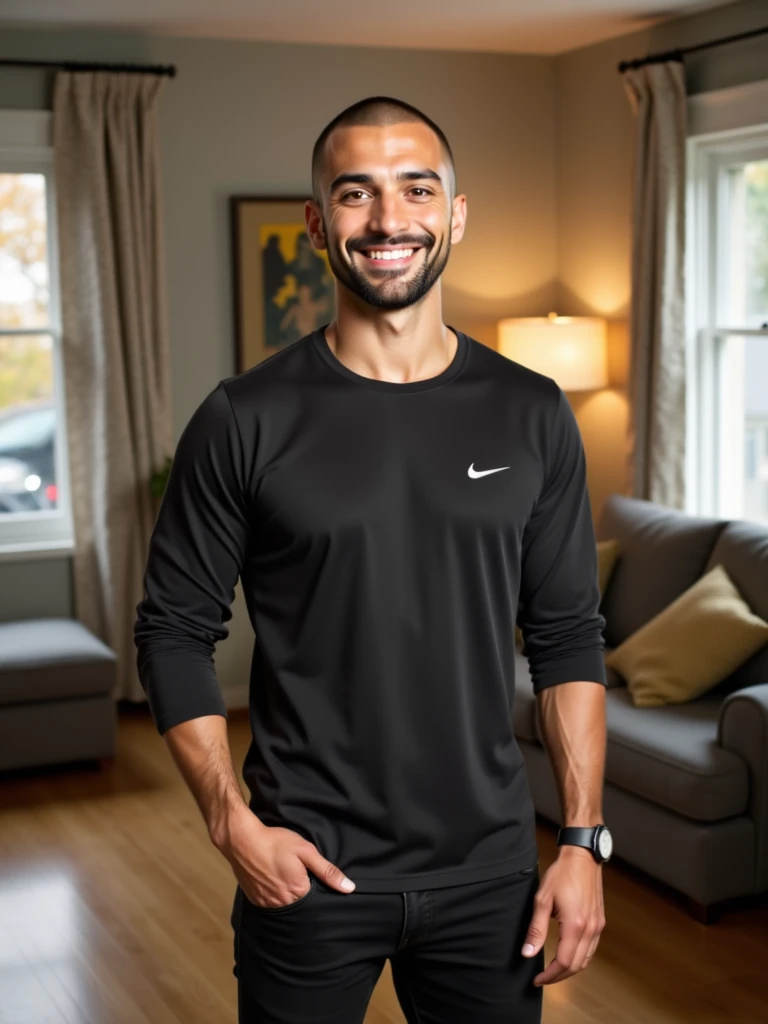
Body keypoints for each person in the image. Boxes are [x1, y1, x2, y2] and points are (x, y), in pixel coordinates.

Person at [134, 94, 610, 1024]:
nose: (389, 221)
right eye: (356, 194)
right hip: (306, 869)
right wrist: (232, 825)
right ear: (317, 222)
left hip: (492, 881)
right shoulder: (245, 418)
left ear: (455, 215)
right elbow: (174, 633)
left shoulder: (534, 413)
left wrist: (584, 842)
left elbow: (567, 637)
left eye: (416, 190)